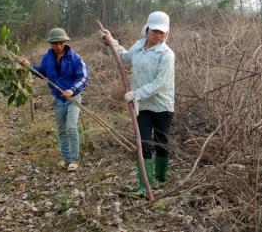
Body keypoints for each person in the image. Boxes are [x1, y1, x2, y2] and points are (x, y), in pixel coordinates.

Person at [100, 11, 175, 197]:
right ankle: (144, 186)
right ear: (147, 28)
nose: (158, 35)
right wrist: (112, 41)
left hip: (161, 105)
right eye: (155, 31)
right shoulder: (140, 45)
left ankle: (161, 178)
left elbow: (161, 83)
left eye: (162, 32)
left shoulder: (166, 54)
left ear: (167, 33)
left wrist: (136, 93)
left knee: (161, 141)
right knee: (143, 142)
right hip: (141, 105)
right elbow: (125, 57)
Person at [16, 28, 89, 172]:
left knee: (71, 128)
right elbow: (41, 73)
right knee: (62, 130)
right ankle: (65, 158)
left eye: (61, 43)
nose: (58, 46)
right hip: (58, 99)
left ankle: (74, 159)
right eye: (55, 43)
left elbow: (83, 77)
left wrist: (72, 90)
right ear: (51, 43)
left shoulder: (75, 58)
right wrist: (28, 64)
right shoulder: (47, 58)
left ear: (65, 42)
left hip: (73, 98)